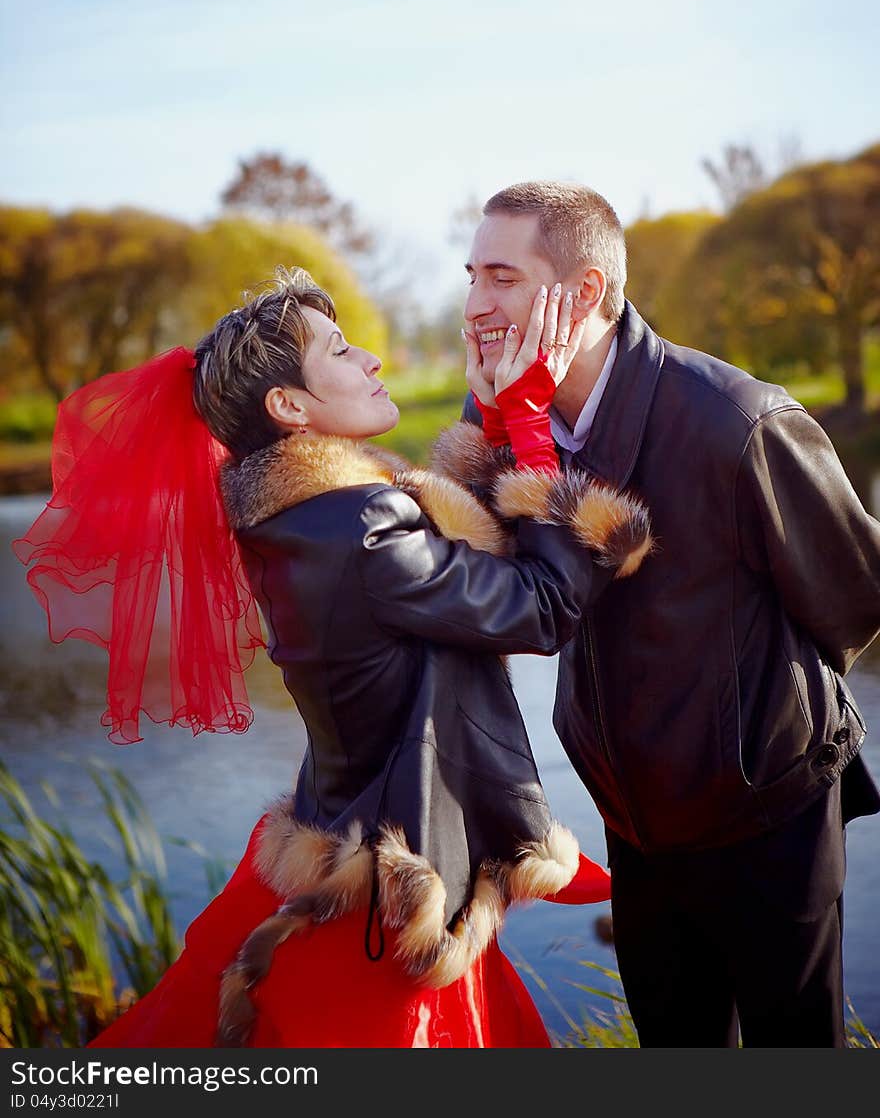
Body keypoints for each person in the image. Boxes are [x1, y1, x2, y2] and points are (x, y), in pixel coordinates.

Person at [13, 265, 653, 1050]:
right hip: (399, 881)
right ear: (289, 407)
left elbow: (457, 573)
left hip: (357, 840)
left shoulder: (294, 519)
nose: (373, 360)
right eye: (342, 352)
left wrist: (490, 420)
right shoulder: (364, 523)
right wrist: (525, 427)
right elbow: (542, 608)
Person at [452, 180, 880, 1049]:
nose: (473, 306)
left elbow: (855, 597)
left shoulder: (737, 422)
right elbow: (490, 596)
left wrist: (750, 722)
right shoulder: (503, 413)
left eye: (501, 278)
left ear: (583, 295)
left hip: (769, 815)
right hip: (635, 822)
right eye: (472, 276)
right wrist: (496, 429)